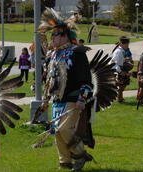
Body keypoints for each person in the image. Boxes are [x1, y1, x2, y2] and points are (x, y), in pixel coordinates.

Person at [36, 8, 94, 171]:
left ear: (64, 36)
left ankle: (80, 155)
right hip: (57, 99)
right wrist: (46, 100)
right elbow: (49, 79)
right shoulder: (53, 55)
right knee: (56, 132)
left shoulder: (77, 53)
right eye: (52, 35)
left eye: (54, 35)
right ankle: (65, 162)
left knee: (65, 129)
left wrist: (82, 98)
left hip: (73, 98)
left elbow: (86, 80)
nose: (51, 38)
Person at [111, 36, 133, 102]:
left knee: (123, 84)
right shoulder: (118, 52)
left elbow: (124, 60)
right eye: (126, 44)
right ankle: (119, 98)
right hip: (116, 70)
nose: (127, 45)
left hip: (120, 69)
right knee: (120, 85)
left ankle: (119, 97)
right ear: (122, 44)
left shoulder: (123, 51)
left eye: (128, 44)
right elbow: (114, 63)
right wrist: (120, 72)